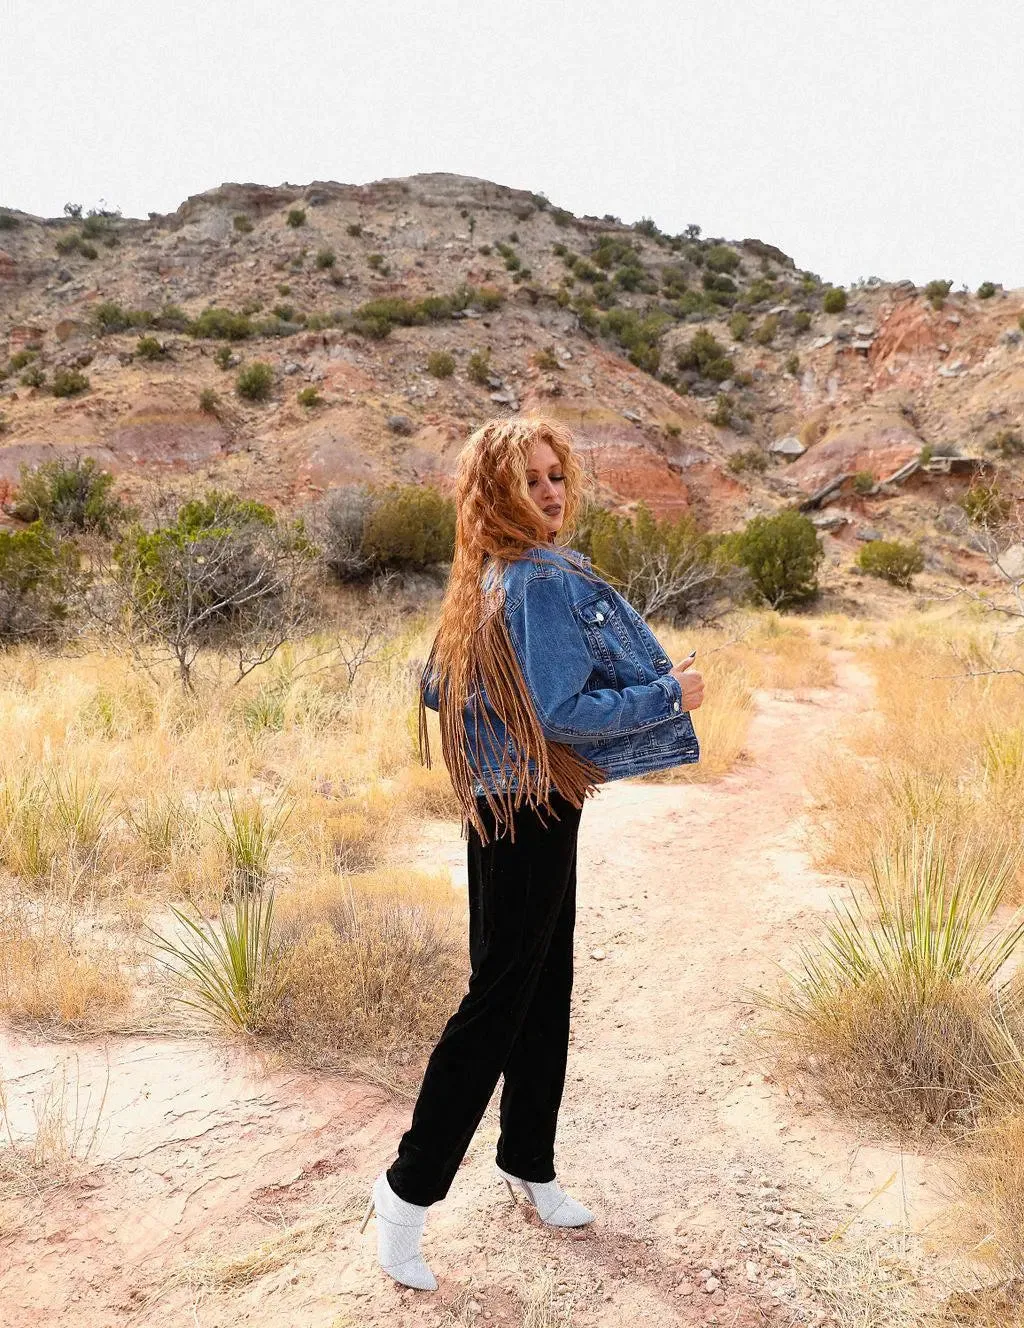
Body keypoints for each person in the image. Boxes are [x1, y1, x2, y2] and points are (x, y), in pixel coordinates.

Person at [359, 415, 704, 1291]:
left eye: (557, 476)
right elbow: (564, 713)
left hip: (502, 801)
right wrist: (674, 692)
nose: (551, 493)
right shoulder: (541, 580)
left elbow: (437, 686)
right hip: (530, 805)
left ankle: (528, 1162)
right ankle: (404, 1194)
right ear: (497, 493)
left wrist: (503, 710)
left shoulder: (484, 578)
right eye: (532, 480)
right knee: (501, 1000)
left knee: (542, 984)